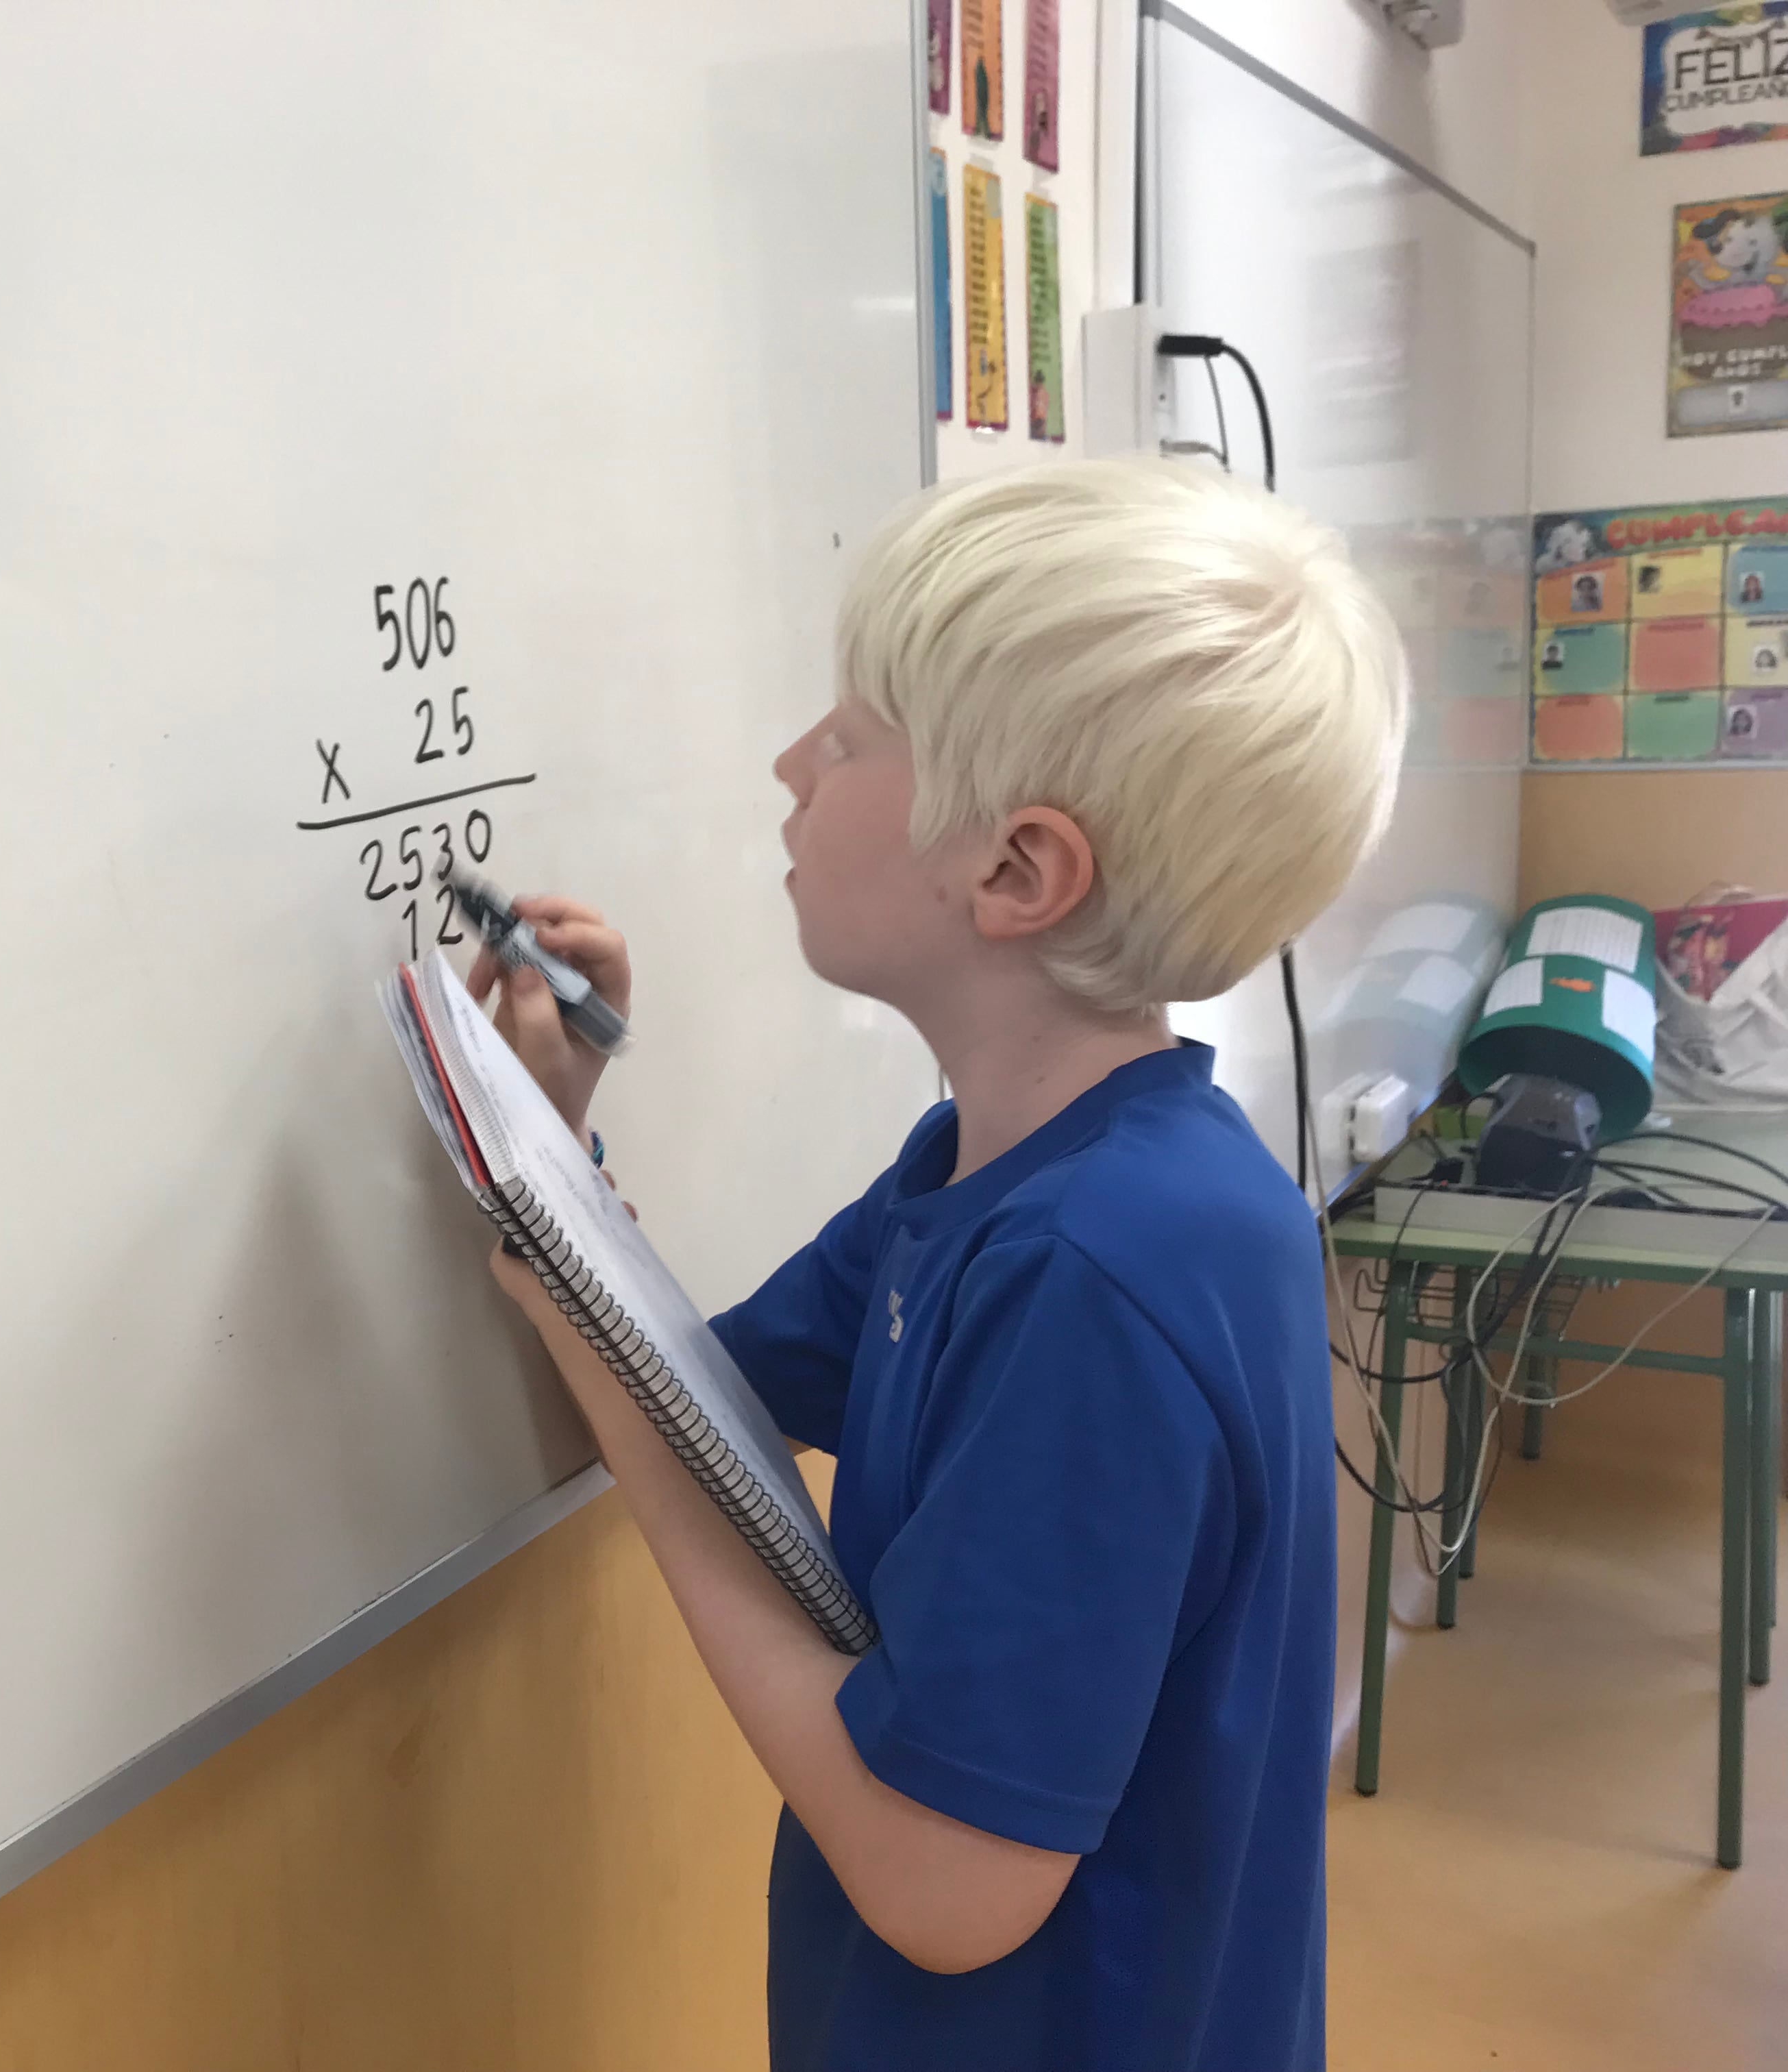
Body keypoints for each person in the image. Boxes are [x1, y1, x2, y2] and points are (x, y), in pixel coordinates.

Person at [467, 458, 1405, 2072]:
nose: (789, 763)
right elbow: (661, 1404)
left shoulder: (1098, 1271)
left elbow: (940, 1883)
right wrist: (559, 1136)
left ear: (1017, 872)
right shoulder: (995, 1178)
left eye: (846, 740)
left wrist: (601, 1362)